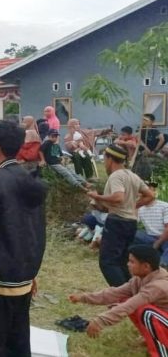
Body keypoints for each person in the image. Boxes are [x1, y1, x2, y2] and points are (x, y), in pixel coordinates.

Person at [0, 120, 48, 357]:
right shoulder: (29, 178)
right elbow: (38, 229)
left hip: (0, 274)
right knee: (19, 335)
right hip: (25, 271)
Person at [68, 245, 168, 355]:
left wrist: (101, 320)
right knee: (126, 300)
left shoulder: (158, 286)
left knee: (146, 312)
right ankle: (149, 337)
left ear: (146, 266)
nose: (127, 264)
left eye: (132, 262)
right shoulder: (140, 278)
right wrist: (83, 297)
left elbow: (130, 305)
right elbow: (115, 293)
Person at [87, 144, 155, 286]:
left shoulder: (116, 176)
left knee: (108, 263)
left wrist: (97, 197)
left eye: (105, 159)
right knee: (123, 262)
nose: (104, 162)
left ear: (110, 159)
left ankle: (121, 295)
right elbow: (150, 195)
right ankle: (130, 292)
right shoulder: (133, 176)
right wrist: (133, 206)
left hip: (117, 222)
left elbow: (118, 197)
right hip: (130, 223)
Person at [134, 181, 168, 268]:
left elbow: (167, 229)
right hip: (149, 236)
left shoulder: (164, 206)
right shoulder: (140, 208)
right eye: (145, 188)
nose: (148, 191)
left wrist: (157, 243)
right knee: (132, 233)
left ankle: (161, 265)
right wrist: (137, 204)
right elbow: (133, 223)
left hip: (165, 237)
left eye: (151, 188)